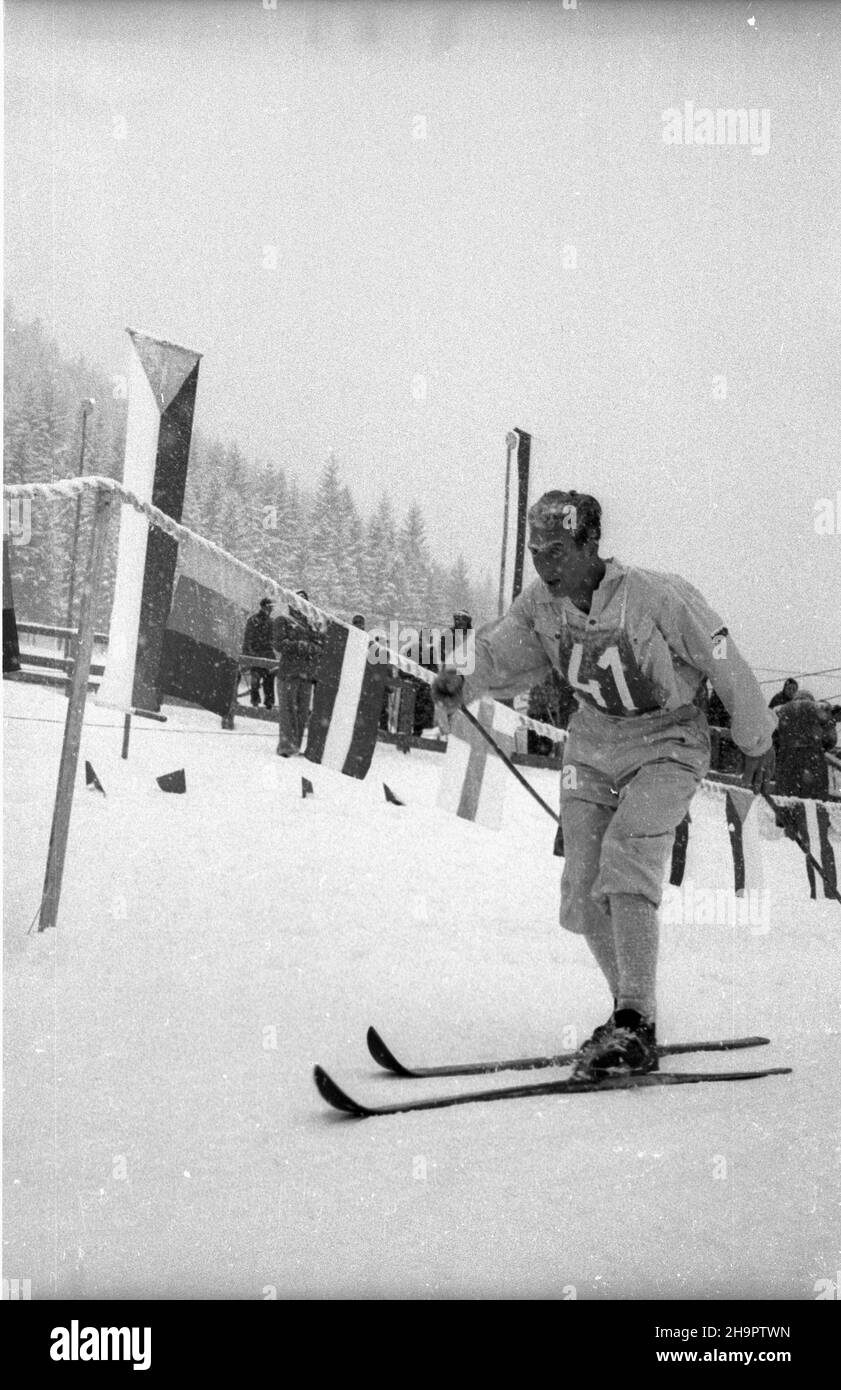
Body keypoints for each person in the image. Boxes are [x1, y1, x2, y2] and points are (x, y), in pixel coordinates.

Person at [432, 489, 776, 1079]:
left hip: (668, 741)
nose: (545, 563)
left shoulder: (656, 595)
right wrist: (459, 675)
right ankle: (631, 1017)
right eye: (537, 550)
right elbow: (498, 645)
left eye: (558, 550)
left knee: (628, 853)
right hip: (592, 744)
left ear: (591, 544)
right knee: (583, 881)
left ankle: (634, 1018)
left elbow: (721, 651)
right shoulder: (542, 605)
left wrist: (756, 736)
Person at [272, 590, 325, 756]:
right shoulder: (282, 621)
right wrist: (300, 646)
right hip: (288, 673)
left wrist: (305, 647)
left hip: (307, 675)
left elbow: (320, 647)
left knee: (302, 714)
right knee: (288, 712)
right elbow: (279, 644)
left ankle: (296, 745)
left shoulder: (312, 626)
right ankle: (286, 746)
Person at [774, 690, 837, 799]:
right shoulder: (819, 709)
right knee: (814, 803)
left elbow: (772, 739)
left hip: (786, 761)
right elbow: (831, 739)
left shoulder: (780, 710)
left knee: (785, 801)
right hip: (813, 761)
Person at [243, 598, 276, 709]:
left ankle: (265, 703)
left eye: (271, 607)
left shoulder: (271, 622)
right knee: (258, 680)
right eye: (269, 607)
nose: (271, 609)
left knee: (266, 680)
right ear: (264, 607)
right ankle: (261, 702)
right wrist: (248, 655)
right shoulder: (254, 620)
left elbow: (274, 640)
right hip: (258, 653)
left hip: (265, 654)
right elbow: (248, 639)